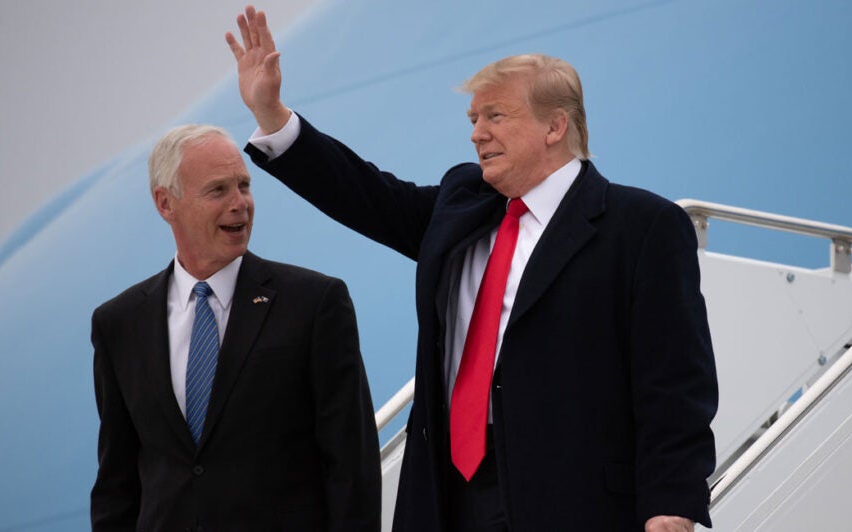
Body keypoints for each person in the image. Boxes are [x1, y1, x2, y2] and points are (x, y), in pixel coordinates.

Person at [227, 6, 718, 531]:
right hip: (449, 500)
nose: (476, 134)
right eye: (473, 120)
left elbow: (673, 381)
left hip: (577, 501)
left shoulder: (641, 227)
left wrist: (672, 504)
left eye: (495, 116)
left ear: (555, 126)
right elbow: (364, 193)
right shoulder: (462, 207)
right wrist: (274, 116)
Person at [89, 124, 381, 531]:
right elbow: (116, 484)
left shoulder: (314, 303)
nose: (239, 203)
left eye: (244, 186)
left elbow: (352, 466)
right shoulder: (119, 323)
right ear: (165, 203)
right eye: (218, 190)